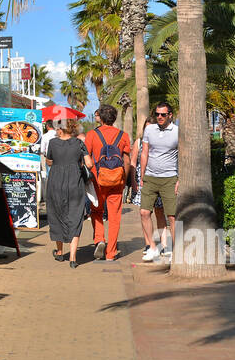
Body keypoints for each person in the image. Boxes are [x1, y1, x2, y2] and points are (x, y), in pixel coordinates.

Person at [43, 120, 93, 269]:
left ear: (60, 130)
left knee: (57, 213)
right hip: (74, 182)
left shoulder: (52, 143)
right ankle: (72, 257)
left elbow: (49, 161)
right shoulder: (79, 143)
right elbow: (89, 164)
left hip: (56, 182)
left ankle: (59, 252)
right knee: (75, 215)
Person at [85, 105, 132, 262]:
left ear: (101, 117)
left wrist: (92, 175)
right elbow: (127, 160)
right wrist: (124, 179)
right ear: (114, 118)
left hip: (98, 179)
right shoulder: (123, 135)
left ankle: (99, 239)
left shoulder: (92, 135)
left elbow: (88, 159)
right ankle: (111, 253)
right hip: (117, 180)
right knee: (114, 216)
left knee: (96, 211)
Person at [138, 102, 179, 262]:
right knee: (144, 212)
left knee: (172, 216)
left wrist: (179, 179)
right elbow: (145, 152)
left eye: (163, 114)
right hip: (150, 177)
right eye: (157, 114)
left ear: (170, 115)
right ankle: (153, 249)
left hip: (170, 178)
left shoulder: (177, 131)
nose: (159, 117)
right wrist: (142, 176)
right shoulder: (149, 129)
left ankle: (176, 250)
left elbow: (183, 155)